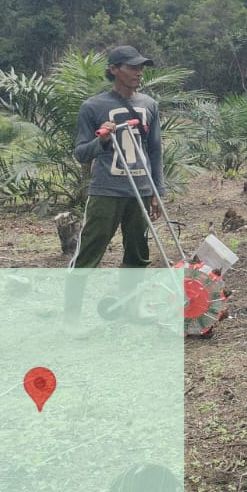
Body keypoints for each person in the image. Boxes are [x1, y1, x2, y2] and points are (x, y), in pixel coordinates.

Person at [64, 45, 166, 331]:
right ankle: (71, 318)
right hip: (106, 192)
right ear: (113, 69)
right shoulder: (93, 107)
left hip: (141, 190)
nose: (138, 72)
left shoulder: (149, 105)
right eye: (132, 67)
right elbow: (82, 153)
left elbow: (155, 150)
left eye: (141, 67)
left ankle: (131, 308)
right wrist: (104, 140)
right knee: (88, 254)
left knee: (137, 252)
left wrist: (157, 191)